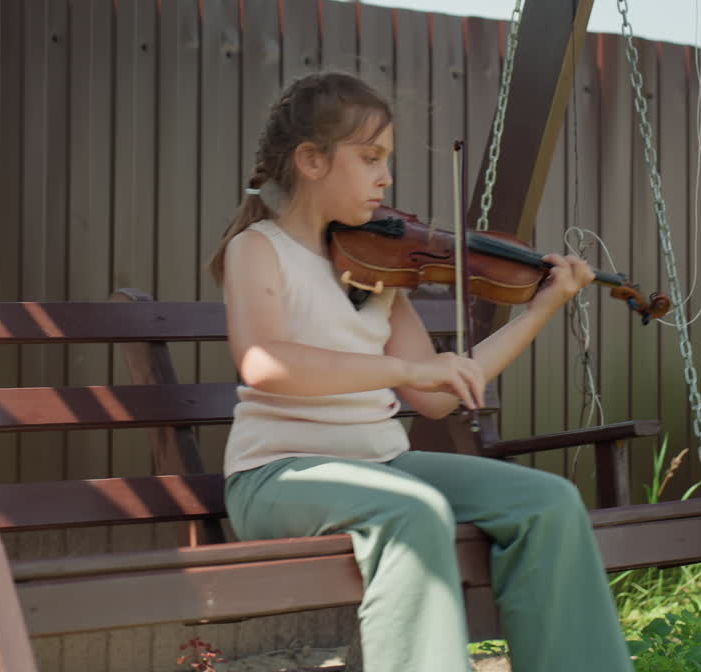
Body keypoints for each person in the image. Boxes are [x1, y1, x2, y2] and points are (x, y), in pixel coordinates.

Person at [207, 71, 634, 672]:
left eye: (389, 159)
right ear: (311, 160)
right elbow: (265, 364)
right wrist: (402, 365)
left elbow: (437, 394)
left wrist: (541, 309)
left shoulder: (373, 265)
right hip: (277, 478)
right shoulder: (259, 247)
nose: (386, 177)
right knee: (413, 510)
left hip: (383, 468)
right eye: (370, 157)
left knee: (550, 502)